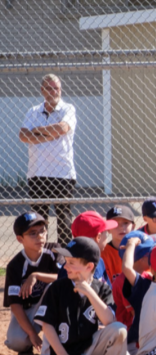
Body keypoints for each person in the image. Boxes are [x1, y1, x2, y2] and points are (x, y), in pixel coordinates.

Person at [35, 237, 136, 355]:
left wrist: (90, 293)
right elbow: (46, 326)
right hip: (63, 352)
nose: (65, 266)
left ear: (89, 267)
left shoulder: (100, 288)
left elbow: (110, 322)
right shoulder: (57, 288)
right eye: (65, 261)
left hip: (89, 346)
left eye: (71, 262)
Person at [19, 74, 77, 244]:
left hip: (62, 173)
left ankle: (65, 257)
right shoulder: (33, 111)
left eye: (57, 88)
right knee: (38, 220)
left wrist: (36, 131)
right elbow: (23, 135)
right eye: (50, 88)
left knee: (64, 218)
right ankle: (40, 253)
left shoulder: (68, 109)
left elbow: (62, 128)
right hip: (37, 173)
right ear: (42, 90)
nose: (54, 92)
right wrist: (49, 134)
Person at [4, 212, 58, 355]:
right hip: (29, 310)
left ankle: (57, 341)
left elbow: (66, 280)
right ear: (20, 239)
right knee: (17, 342)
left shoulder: (55, 251)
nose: (40, 236)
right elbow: (15, 304)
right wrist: (32, 333)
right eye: (32, 233)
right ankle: (28, 344)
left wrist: (37, 275)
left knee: (56, 287)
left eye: (42, 231)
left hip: (51, 307)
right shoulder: (15, 265)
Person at [57, 211, 117, 288]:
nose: (106, 237)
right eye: (106, 233)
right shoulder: (92, 266)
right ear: (98, 237)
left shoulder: (66, 266)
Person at [102, 205, 136, 284]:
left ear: (133, 226)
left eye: (125, 223)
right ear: (108, 229)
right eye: (115, 224)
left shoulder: (140, 249)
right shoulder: (103, 253)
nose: (121, 227)